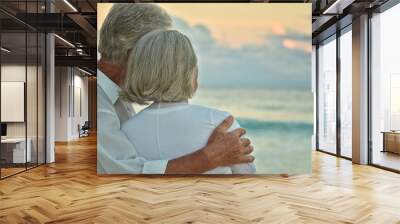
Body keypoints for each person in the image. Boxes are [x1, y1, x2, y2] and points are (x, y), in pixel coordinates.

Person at [97, 3, 255, 174]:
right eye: (155, 50)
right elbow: (126, 173)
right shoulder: (97, 103)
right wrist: (210, 157)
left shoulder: (121, 110)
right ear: (134, 52)